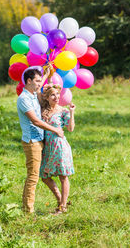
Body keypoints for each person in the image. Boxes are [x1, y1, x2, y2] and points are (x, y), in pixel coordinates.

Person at [17, 67, 64, 213]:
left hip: (41, 139)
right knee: (33, 176)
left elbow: (40, 87)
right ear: (29, 81)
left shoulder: (33, 94)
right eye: (37, 81)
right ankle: (27, 210)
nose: (39, 84)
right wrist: (55, 129)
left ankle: (62, 202)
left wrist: (47, 74)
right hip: (32, 142)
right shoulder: (24, 99)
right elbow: (35, 121)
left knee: (44, 174)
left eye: (39, 81)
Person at [40, 83, 76, 214]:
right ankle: (61, 200)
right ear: (47, 97)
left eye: (57, 94)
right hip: (47, 147)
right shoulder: (42, 109)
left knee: (63, 176)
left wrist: (72, 113)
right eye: (52, 95)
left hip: (60, 146)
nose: (56, 97)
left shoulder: (63, 111)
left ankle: (62, 206)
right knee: (44, 176)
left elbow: (70, 129)